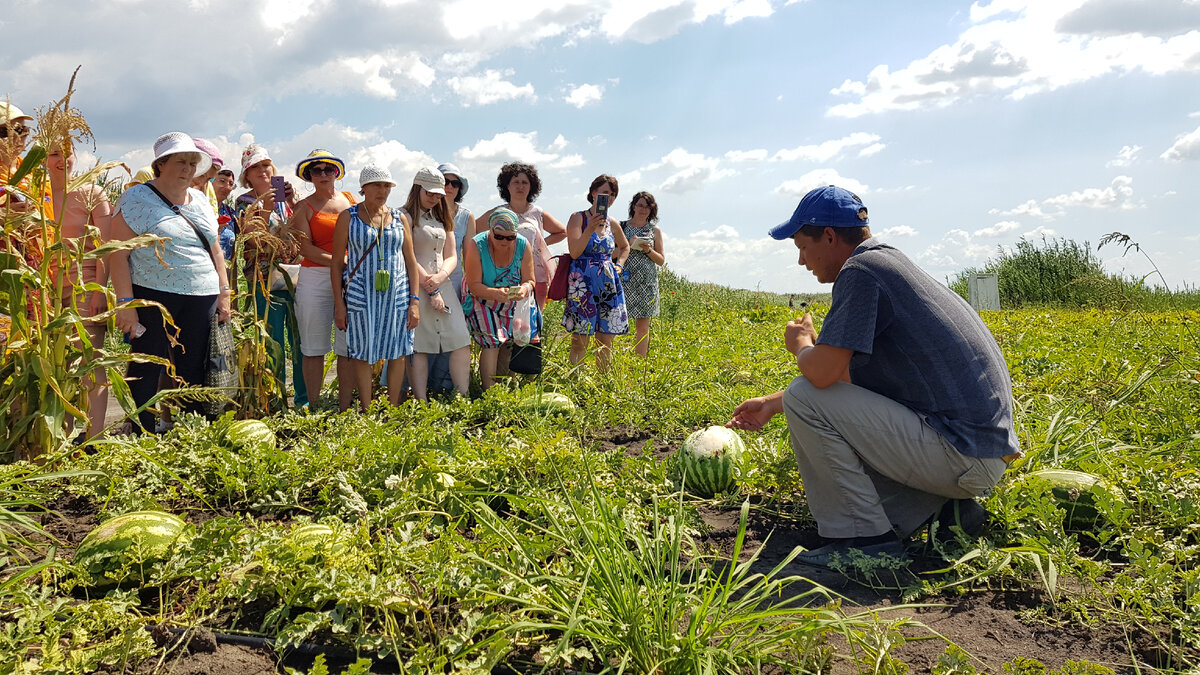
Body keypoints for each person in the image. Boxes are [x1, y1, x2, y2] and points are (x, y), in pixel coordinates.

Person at [727, 185, 1022, 567]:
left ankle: (862, 541)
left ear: (829, 237)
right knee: (806, 398)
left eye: (802, 246)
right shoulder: (885, 264)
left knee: (804, 394)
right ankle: (941, 512)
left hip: (962, 454)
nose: (802, 261)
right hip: (978, 452)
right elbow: (849, 380)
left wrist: (801, 345)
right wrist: (770, 404)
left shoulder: (861, 272)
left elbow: (821, 377)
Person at [107, 132, 233, 433]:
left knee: (193, 365)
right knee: (147, 363)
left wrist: (224, 292)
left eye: (192, 163)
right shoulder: (137, 198)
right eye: (180, 161)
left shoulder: (201, 200)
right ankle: (141, 429)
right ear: (161, 164)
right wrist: (125, 302)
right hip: (153, 293)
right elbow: (116, 253)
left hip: (202, 295)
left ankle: (187, 430)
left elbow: (214, 248)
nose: (188, 169)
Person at [330, 164, 420, 411]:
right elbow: (337, 263)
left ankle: (391, 409)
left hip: (397, 295)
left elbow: (411, 262)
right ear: (364, 188)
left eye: (386, 186)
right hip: (361, 294)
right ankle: (368, 409)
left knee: (398, 350)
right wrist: (339, 305)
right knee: (361, 351)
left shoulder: (400, 218)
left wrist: (414, 301)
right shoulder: (349, 217)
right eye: (377, 185)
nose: (383, 190)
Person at [45, 141, 113, 441]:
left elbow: (107, 247)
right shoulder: (38, 195)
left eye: (67, 153)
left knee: (90, 361)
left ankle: (95, 437)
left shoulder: (91, 193)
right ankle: (61, 434)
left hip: (85, 287)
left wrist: (100, 292)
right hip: (45, 291)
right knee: (56, 365)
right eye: (54, 154)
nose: (62, 160)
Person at [236, 144, 308, 411]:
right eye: (255, 167)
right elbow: (251, 239)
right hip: (264, 281)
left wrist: (290, 202)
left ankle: (303, 398)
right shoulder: (244, 202)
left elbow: (302, 230)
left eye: (266, 165)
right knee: (273, 340)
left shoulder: (288, 200)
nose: (262, 170)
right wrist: (265, 207)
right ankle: (276, 401)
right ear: (247, 175)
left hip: (295, 277)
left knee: (300, 339)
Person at [290, 149, 355, 409]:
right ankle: (314, 404)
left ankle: (344, 403)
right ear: (309, 176)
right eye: (317, 170)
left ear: (336, 172)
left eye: (329, 169)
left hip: (351, 277)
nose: (324, 174)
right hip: (316, 277)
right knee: (313, 346)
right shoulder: (303, 208)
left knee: (348, 344)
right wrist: (339, 261)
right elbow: (304, 249)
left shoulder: (351, 199)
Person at [404, 167, 471, 400]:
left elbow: (452, 254)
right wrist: (430, 286)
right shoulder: (405, 216)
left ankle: (463, 396)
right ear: (417, 189)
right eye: (429, 192)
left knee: (460, 339)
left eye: (437, 193)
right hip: (415, 286)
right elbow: (408, 254)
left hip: (443, 285)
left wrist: (441, 278)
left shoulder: (443, 217)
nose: (434, 197)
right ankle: (421, 400)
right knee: (419, 344)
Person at [462, 208, 537, 391]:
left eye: (510, 237)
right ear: (490, 231)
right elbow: (474, 285)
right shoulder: (477, 245)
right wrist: (494, 293)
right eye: (499, 237)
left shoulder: (523, 244)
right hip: (480, 297)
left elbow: (530, 280)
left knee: (510, 341)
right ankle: (489, 390)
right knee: (492, 339)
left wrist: (524, 289)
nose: (505, 241)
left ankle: (505, 386)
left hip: (509, 299)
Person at [562, 174, 629, 372]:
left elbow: (625, 247)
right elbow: (575, 251)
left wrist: (619, 265)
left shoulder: (613, 223)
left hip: (608, 284)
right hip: (582, 284)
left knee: (605, 340)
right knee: (580, 339)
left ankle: (603, 385)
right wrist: (589, 229)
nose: (608, 198)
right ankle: (576, 382)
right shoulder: (578, 218)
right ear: (593, 193)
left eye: (612, 194)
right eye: (604, 193)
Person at [475, 163, 565, 310]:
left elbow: (562, 232)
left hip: (536, 274)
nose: (520, 186)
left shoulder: (538, 213)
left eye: (525, 183)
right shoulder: (498, 213)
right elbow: (473, 229)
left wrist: (538, 245)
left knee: (534, 321)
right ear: (507, 186)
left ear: (531, 187)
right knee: (509, 320)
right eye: (516, 182)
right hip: (504, 274)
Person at [424, 162, 476, 395]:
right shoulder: (423, 211)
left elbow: (469, 256)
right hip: (424, 278)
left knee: (452, 335)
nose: (450, 187)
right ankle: (424, 386)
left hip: (454, 281)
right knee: (426, 332)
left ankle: (446, 386)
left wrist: (470, 287)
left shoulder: (466, 216)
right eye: (445, 181)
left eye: (455, 183)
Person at [620, 191, 665, 357]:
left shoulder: (654, 230)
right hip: (623, 280)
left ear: (652, 209)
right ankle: (618, 360)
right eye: (640, 205)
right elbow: (610, 253)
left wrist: (648, 250)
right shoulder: (621, 226)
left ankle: (639, 361)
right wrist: (629, 246)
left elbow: (660, 260)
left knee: (643, 326)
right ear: (633, 206)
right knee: (615, 322)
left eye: (647, 206)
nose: (643, 209)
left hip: (646, 282)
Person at [212, 165, 238, 260]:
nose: (227, 187)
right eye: (222, 181)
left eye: (231, 184)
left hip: (225, 270)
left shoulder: (231, 214)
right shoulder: (198, 208)